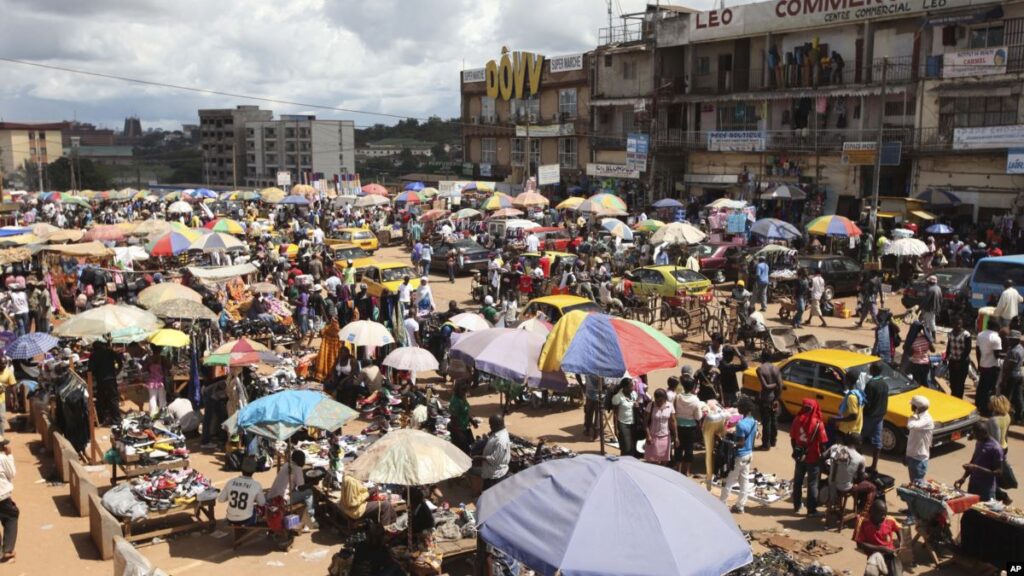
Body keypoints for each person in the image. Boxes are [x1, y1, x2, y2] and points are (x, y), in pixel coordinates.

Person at [719, 397, 757, 513]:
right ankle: (740, 506)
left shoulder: (741, 424)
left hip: (740, 456)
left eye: (740, 407)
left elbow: (740, 444)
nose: (738, 408)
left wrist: (727, 442)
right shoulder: (754, 421)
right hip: (749, 454)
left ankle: (721, 505)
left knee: (729, 480)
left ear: (745, 408)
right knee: (744, 481)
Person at [791, 399, 827, 516]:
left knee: (798, 481)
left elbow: (793, 438)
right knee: (812, 484)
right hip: (813, 458)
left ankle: (796, 506)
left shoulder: (797, 419)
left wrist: (797, 452)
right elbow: (823, 443)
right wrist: (824, 456)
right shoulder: (818, 423)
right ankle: (811, 510)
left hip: (800, 457)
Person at [827, 433, 877, 515]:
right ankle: (864, 513)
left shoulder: (835, 447)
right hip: (845, 488)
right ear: (859, 443)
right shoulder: (860, 458)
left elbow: (823, 456)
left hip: (832, 484)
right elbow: (861, 479)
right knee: (872, 487)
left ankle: (837, 505)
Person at [955, 420, 1003, 501]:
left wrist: (976, 468)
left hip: (986, 488)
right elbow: (973, 461)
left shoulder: (995, 448)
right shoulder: (979, 442)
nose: (974, 436)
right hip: (973, 484)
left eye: (976, 434)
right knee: (970, 510)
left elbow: (998, 472)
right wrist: (963, 478)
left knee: (984, 512)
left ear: (983, 433)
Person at [269, 450, 317, 530]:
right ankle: (310, 517)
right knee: (309, 492)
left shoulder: (287, 465)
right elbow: (301, 487)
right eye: (303, 459)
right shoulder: (297, 468)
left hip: (272, 496)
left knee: (299, 491)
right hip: (281, 500)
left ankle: (306, 515)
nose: (304, 461)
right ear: (299, 460)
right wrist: (311, 484)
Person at [854, 500, 903, 576]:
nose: (884, 516)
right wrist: (881, 549)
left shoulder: (889, 519)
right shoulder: (863, 522)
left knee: (897, 572)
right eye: (881, 514)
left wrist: (901, 542)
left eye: (885, 514)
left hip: (890, 553)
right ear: (872, 513)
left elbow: (898, 528)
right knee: (870, 573)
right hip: (874, 553)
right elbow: (859, 544)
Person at [218, 455, 266, 525]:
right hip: (247, 520)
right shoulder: (256, 485)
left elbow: (220, 499)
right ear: (253, 471)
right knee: (259, 509)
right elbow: (262, 503)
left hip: (230, 519)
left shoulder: (231, 482)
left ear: (242, 469)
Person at [673, 376, 703, 475]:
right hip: (690, 429)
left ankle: (677, 469)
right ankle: (686, 472)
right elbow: (698, 417)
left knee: (678, 448)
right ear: (693, 387)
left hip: (678, 427)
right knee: (689, 449)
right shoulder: (695, 400)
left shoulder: (677, 397)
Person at [861, 362, 889, 471]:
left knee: (859, 438)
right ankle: (874, 466)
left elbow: (867, 401)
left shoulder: (871, 385)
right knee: (877, 442)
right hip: (880, 416)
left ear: (873, 370)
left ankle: (859, 464)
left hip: (869, 415)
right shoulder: (884, 384)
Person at [643, 388, 677, 466]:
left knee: (664, 461)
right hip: (652, 437)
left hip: (665, 437)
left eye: (661, 401)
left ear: (665, 399)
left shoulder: (670, 406)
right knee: (652, 461)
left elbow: (673, 422)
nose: (658, 403)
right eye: (657, 400)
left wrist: (676, 437)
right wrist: (648, 435)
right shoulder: (650, 405)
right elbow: (645, 422)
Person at [976, 318, 1003, 416]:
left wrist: (979, 363)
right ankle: (986, 409)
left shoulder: (980, 334)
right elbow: (997, 355)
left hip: (983, 364)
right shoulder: (996, 338)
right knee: (990, 389)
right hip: (992, 366)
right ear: (996, 327)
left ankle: (978, 404)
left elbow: (978, 351)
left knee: (981, 386)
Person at [905, 395, 933, 484]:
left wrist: (912, 417)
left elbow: (911, 425)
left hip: (919, 460)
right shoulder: (918, 417)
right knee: (914, 484)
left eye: (912, 405)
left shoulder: (926, 419)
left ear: (916, 407)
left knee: (917, 485)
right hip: (912, 456)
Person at [480, 414, 511, 489]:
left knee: (490, 495)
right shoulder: (499, 432)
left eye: (491, 425)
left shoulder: (501, 440)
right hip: (491, 472)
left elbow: (495, 459)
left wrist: (480, 458)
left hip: (495, 476)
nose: (490, 427)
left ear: (496, 425)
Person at [756, 361, 782, 451]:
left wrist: (774, 385)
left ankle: (766, 445)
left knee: (766, 422)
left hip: (765, 399)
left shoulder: (760, 369)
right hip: (774, 398)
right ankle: (773, 441)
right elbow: (781, 385)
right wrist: (776, 399)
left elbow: (765, 386)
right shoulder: (776, 368)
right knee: (774, 420)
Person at [945, 316, 972, 399]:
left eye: (959, 324)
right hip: (953, 361)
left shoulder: (966, 334)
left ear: (962, 324)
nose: (958, 326)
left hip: (963, 362)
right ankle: (953, 398)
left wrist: (959, 362)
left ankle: (959, 399)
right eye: (956, 324)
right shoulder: (950, 333)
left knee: (960, 383)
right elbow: (949, 345)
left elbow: (968, 349)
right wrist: (946, 356)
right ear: (953, 324)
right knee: (952, 382)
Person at [1000, 330, 1024, 423]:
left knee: (1006, 396)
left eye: (1011, 339)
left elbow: (1010, 367)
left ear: (1017, 340)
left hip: (1012, 376)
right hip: (1018, 375)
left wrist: (1004, 380)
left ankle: (1003, 414)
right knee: (1018, 396)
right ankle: (1019, 416)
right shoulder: (1020, 348)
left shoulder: (1014, 351)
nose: (1009, 341)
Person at [611, 378, 638, 457]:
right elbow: (615, 414)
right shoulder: (618, 397)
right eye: (630, 387)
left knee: (633, 445)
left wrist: (636, 406)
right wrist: (616, 429)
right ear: (624, 387)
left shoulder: (634, 394)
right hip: (623, 423)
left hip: (633, 422)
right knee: (626, 447)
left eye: (632, 386)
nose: (632, 388)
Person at [447, 381, 474, 454]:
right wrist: (460, 434)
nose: (465, 392)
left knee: (469, 447)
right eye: (463, 390)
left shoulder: (462, 397)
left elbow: (466, 410)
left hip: (465, 427)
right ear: (457, 390)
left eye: (466, 390)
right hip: (458, 430)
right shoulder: (455, 401)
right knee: (462, 452)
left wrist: (472, 421)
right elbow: (454, 418)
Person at [0, 439, 15, 562]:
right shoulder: (2, 458)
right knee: (11, 517)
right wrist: (9, 455)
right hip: (2, 495)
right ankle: (7, 550)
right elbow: (12, 474)